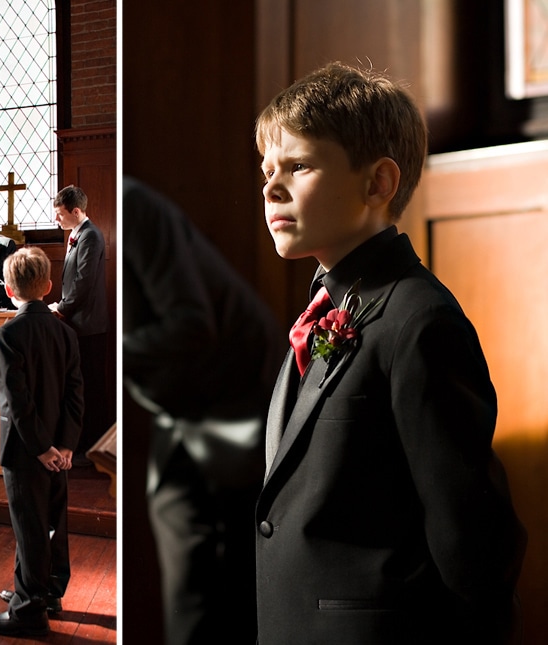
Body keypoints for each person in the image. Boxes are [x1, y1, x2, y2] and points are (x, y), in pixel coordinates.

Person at [255, 61, 526, 643]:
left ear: (378, 183)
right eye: (267, 170)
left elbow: (473, 544)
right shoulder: (327, 308)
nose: (271, 188)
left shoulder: (420, 322)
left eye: (298, 166)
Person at [123, 177, 284, 645]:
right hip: (180, 413)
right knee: (189, 584)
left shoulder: (134, 205)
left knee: (227, 586)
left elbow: (192, 325)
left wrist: (116, 355)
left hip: (235, 405)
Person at [0, 246, 84, 637]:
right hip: (61, 450)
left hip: (28, 452)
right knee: (53, 522)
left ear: (8, 291)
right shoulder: (66, 332)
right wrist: (66, 447)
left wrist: (42, 449)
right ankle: (47, 592)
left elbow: (18, 403)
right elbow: (76, 395)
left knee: (29, 526)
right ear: (47, 285)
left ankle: (28, 611)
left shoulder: (8, 334)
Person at [49, 185, 109, 460]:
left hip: (89, 326)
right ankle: (80, 442)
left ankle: (91, 447)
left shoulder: (91, 236)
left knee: (89, 387)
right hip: (77, 324)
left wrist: (61, 309)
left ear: (75, 211)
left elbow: (83, 281)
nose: (56, 219)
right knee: (77, 385)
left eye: (60, 214)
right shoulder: (76, 234)